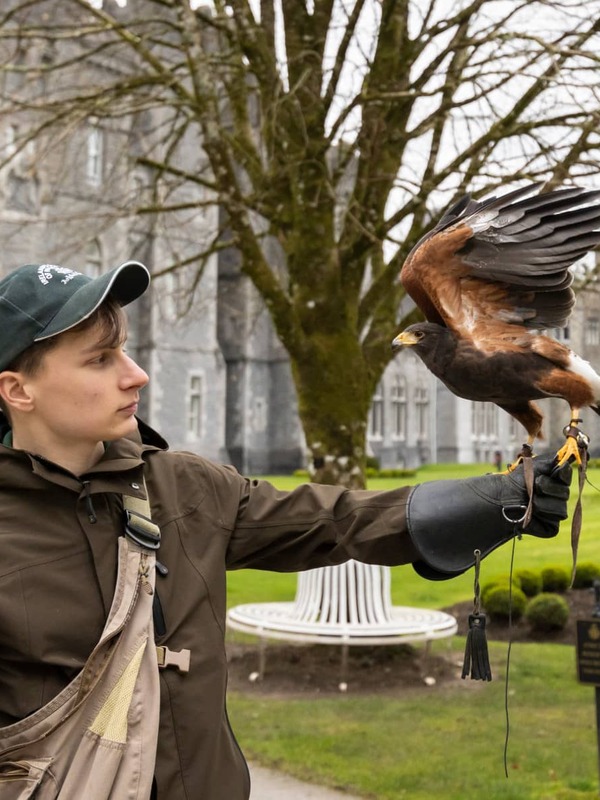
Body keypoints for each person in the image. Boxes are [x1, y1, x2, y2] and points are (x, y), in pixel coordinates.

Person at [0, 261, 571, 799]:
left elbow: (335, 520)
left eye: (124, 349)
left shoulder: (180, 488)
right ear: (18, 390)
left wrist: (495, 500)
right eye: (100, 359)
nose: (138, 374)